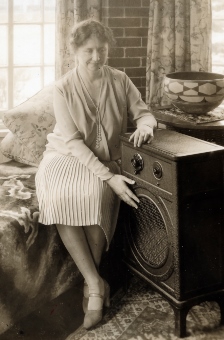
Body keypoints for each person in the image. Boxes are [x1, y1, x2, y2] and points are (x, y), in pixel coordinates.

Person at [35, 19, 157, 330]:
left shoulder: (120, 79)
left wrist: (145, 125)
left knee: (95, 194)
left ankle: (93, 286)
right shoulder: (62, 88)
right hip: (65, 156)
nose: (96, 57)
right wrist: (110, 177)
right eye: (88, 50)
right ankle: (94, 283)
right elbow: (73, 141)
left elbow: (143, 113)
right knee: (62, 194)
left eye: (101, 50)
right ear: (74, 52)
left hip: (107, 159)